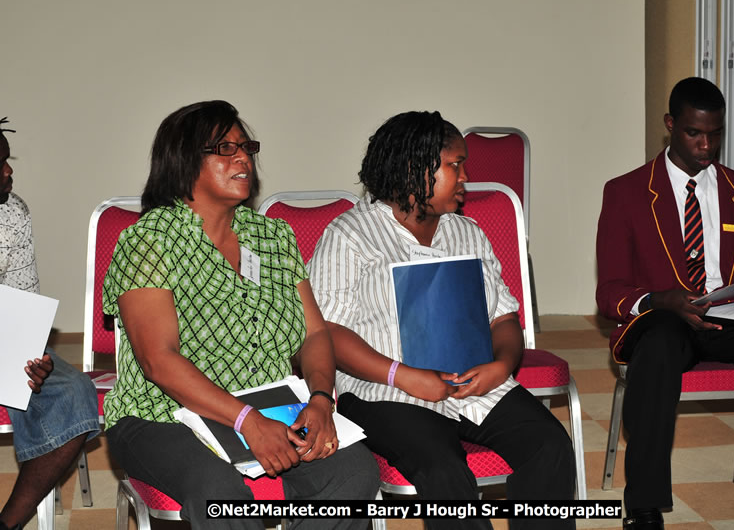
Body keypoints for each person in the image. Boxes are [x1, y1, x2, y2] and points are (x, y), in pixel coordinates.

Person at [101, 100, 378, 530]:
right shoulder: (148, 241)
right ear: (182, 162)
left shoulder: (273, 236)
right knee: (221, 494)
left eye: (246, 146)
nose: (243, 158)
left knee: (353, 473)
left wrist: (322, 400)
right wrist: (246, 421)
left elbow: (314, 334)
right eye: (224, 149)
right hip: (162, 416)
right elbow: (158, 360)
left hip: (270, 405)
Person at [308, 111, 576, 530]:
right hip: (385, 390)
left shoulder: (467, 232)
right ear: (414, 168)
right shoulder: (349, 235)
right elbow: (327, 333)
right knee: (444, 471)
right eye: (455, 165)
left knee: (550, 444)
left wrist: (501, 365)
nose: (466, 176)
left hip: (471, 380)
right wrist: (404, 375)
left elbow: (503, 316)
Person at [596, 77, 734, 529]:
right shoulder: (627, 193)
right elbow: (609, 293)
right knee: (659, 347)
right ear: (671, 125)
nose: (706, 145)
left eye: (715, 134)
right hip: (668, 321)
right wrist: (660, 299)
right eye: (694, 133)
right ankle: (645, 509)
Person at [0, 117, 100, 530]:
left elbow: (23, 301)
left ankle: (8, 524)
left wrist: (31, 353)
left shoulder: (13, 212)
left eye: (7, 161)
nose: (9, 171)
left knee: (75, 393)